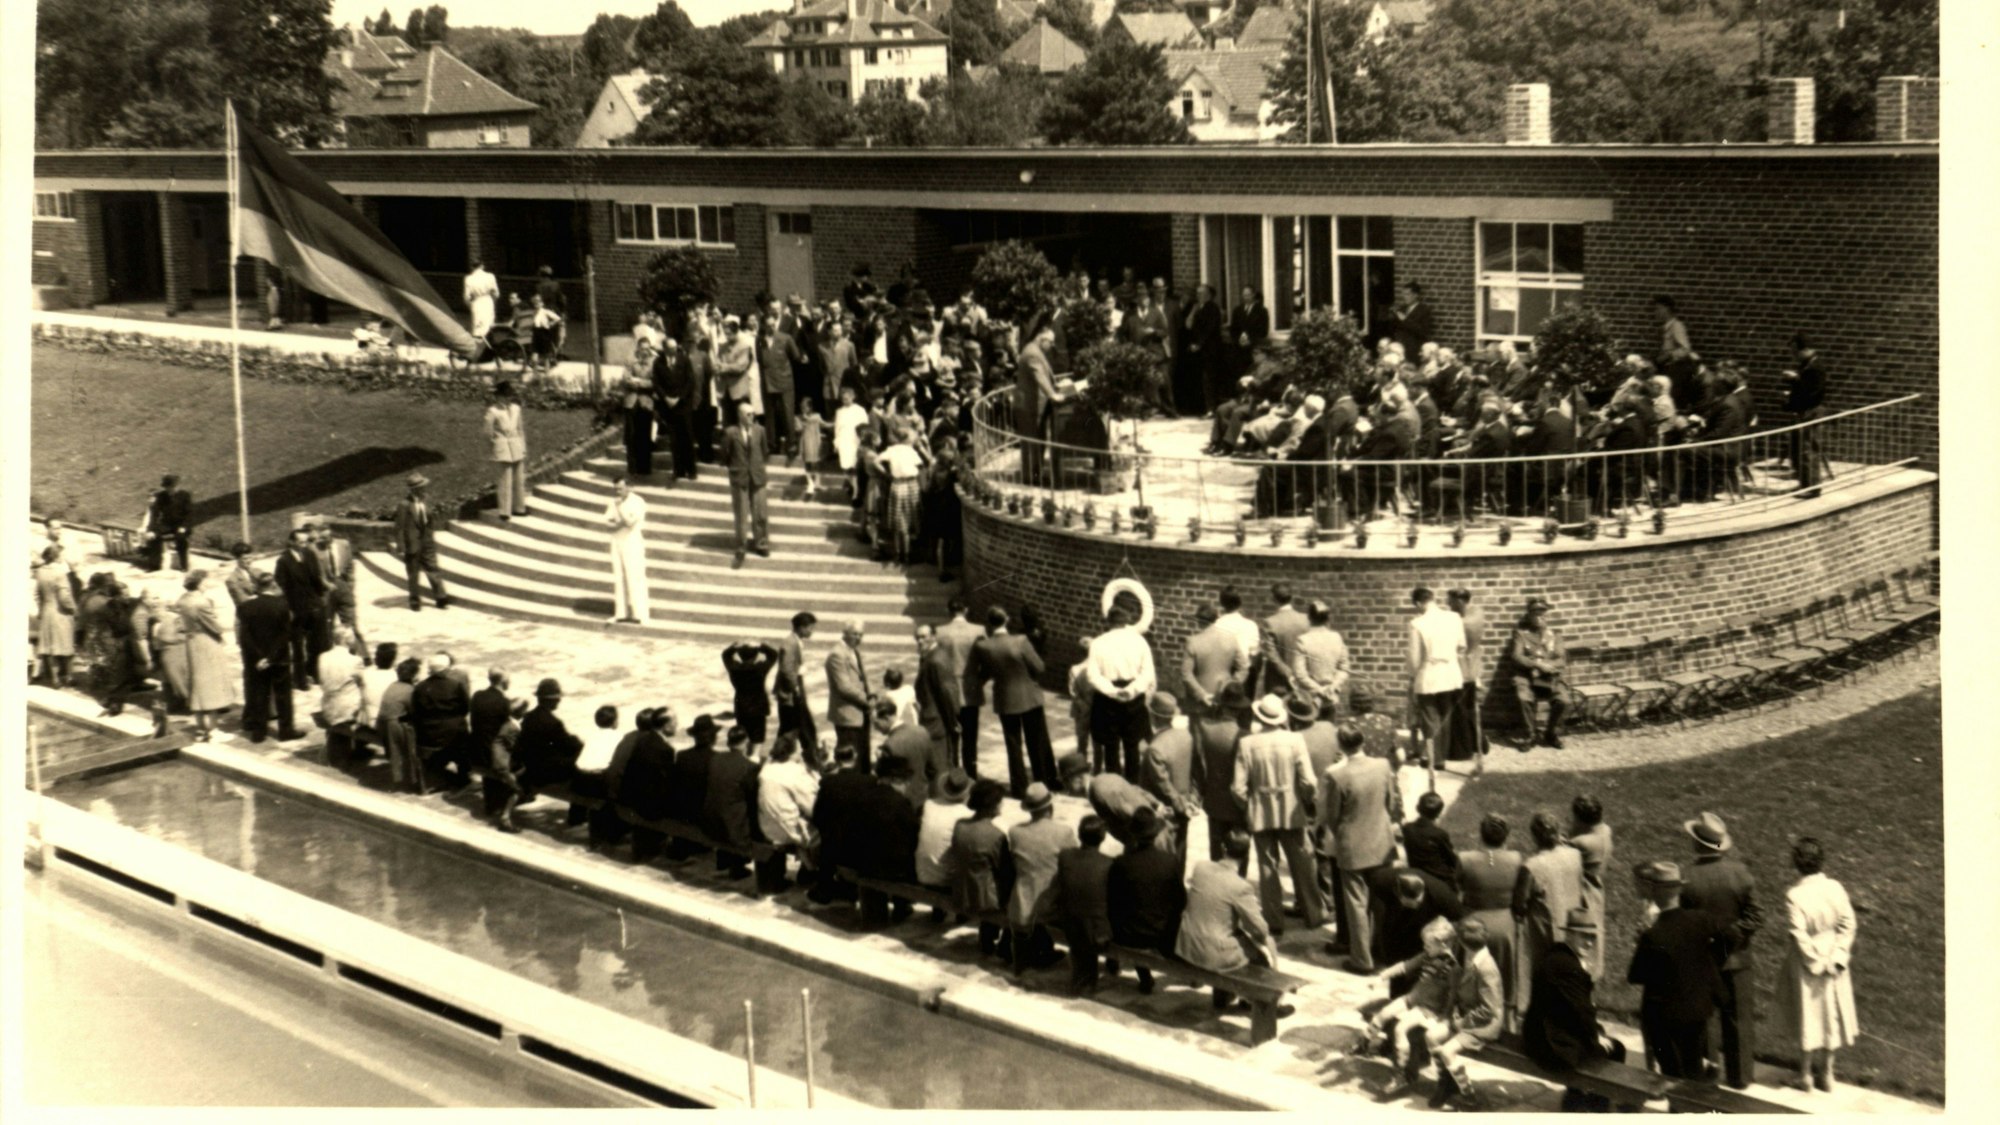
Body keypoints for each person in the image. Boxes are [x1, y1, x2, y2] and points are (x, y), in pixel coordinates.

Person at [1680, 810, 1763, 1090]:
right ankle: (1740, 1078)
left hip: (1701, 961)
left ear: (1696, 844)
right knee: (1738, 1018)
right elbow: (1755, 916)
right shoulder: (1740, 873)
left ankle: (1707, 1070)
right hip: (1737, 959)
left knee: (1703, 1018)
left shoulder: (1685, 877)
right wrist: (1732, 938)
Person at [1234, 693, 1324, 934]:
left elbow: (1238, 787)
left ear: (1259, 717)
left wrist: (1248, 805)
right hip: (1291, 810)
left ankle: (1274, 919)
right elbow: (1308, 780)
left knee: (1267, 866)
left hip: (1260, 811)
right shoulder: (1295, 740)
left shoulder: (1247, 743)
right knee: (1302, 863)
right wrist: (1306, 802)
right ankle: (1314, 914)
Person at [1523, 908, 1630, 1112]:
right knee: (1616, 1049)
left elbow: (1570, 1009)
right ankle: (1595, 1105)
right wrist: (1595, 1037)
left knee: (1601, 1040)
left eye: (1591, 937)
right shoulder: (1568, 966)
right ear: (1569, 934)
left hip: (1538, 1036)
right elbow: (1582, 1011)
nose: (1589, 942)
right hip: (1550, 1047)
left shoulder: (1555, 954)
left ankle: (1579, 1095)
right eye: (1584, 936)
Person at [1775, 836, 1858, 1093]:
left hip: (1807, 960)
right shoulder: (1835, 887)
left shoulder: (1795, 895)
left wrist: (1815, 962)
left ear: (1796, 863)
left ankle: (1805, 1075)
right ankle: (1827, 1074)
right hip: (1832, 956)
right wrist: (1837, 956)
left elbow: (1798, 933)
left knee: (1809, 1013)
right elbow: (1848, 924)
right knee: (1830, 1012)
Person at [1627, 860, 1723, 1080]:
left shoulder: (1653, 934)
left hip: (1663, 1017)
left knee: (1672, 1074)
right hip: (1697, 1010)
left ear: (1655, 892)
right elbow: (1727, 940)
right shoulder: (1701, 920)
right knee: (1693, 1068)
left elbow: (1635, 975)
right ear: (1679, 889)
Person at [1178, 830, 1289, 1016]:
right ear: (1247, 855)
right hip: (1214, 953)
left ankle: (1224, 996)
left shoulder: (1200, 868)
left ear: (1223, 848)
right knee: (1260, 956)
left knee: (1229, 938)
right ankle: (1268, 1005)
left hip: (1188, 945)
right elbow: (1260, 929)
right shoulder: (1241, 887)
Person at [1324, 720, 1401, 970]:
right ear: (1362, 741)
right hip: (1381, 841)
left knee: (1356, 903)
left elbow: (1332, 817)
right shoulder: (1383, 765)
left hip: (1352, 845)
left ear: (1341, 746)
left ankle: (1361, 959)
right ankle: (1382, 949)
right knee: (1380, 899)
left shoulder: (1338, 775)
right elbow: (1390, 802)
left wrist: (1343, 833)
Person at [1362, 915, 1460, 1101]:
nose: (1425, 948)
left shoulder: (1452, 968)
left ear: (1443, 945)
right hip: (1411, 999)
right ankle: (1364, 1043)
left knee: (1401, 1029)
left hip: (1428, 1010)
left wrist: (1446, 1017)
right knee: (1384, 1013)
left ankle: (1401, 1074)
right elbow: (1404, 966)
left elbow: (1453, 996)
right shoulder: (1426, 956)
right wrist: (1382, 976)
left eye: (1428, 945)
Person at [970, 606, 1053, 797]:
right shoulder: (1021, 641)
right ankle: (1042, 783)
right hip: (1029, 697)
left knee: (1013, 744)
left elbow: (985, 673)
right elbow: (1039, 667)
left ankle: (1019, 787)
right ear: (1007, 620)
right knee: (1035, 741)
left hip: (1005, 699)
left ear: (989, 623)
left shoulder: (984, 646)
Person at [1514, 811, 1585, 1027]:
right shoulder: (1575, 855)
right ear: (1558, 832)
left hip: (1544, 926)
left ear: (1534, 837)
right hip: (1571, 922)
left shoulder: (1532, 865)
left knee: (1541, 972)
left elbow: (1519, 903)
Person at [1458, 814, 1523, 1025]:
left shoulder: (1465, 859)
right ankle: (1505, 1023)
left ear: (1481, 834)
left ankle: (1469, 1017)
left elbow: (1457, 888)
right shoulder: (1516, 859)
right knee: (1504, 979)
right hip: (1505, 928)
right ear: (1506, 836)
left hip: (1473, 924)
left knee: (1471, 976)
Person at [1007, 783, 1075, 970]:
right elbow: (1072, 865)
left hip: (1023, 903)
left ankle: (1030, 952)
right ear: (1050, 807)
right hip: (1051, 904)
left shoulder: (1015, 832)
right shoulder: (1064, 832)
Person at [1084, 605, 1157, 781]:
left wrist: (1113, 691)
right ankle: (1132, 782)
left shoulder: (1098, 643)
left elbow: (1092, 675)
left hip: (1108, 698)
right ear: (1126, 622)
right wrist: (1131, 691)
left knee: (1111, 746)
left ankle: (1114, 784)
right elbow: (1148, 673)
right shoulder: (1139, 641)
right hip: (1132, 698)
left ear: (1108, 621)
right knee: (1132, 745)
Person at [947, 778, 1015, 956]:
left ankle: (987, 937)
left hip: (962, 889)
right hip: (984, 897)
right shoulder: (995, 835)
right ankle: (1006, 941)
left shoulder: (960, 825)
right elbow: (1005, 871)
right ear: (992, 805)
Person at [1055, 815, 1118, 995]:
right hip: (1096, 930)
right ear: (1103, 837)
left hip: (1069, 923)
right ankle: (1088, 979)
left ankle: (1082, 977)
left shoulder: (1065, 856)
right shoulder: (1108, 863)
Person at [235, 572, 299, 743]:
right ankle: (286, 730)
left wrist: (260, 658)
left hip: (255, 661)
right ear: (272, 585)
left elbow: (245, 637)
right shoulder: (281, 605)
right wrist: (271, 657)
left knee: (259, 694)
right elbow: (285, 635)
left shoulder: (245, 607)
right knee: (283, 696)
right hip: (279, 659)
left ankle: (259, 732)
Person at [1407, 587, 1466, 772]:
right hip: (1450, 672)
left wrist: (1413, 676)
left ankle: (1434, 757)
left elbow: (1415, 658)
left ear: (1418, 603)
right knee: (1445, 714)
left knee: (1430, 716)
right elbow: (1462, 646)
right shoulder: (1454, 618)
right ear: (1433, 599)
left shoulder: (1417, 623)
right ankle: (1441, 756)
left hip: (1429, 673)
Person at [754, 733, 819, 889]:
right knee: (825, 831)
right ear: (791, 752)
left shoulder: (767, 769)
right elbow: (813, 806)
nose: (802, 751)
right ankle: (812, 872)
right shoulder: (795, 773)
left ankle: (807, 868)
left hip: (768, 826)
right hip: (788, 830)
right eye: (799, 749)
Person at [1138, 692, 1199, 862]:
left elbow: (1163, 785)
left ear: (1153, 716)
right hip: (1185, 804)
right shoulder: (1186, 736)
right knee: (1180, 853)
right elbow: (1195, 771)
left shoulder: (1155, 749)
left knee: (1161, 856)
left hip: (1165, 811)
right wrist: (1191, 800)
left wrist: (1179, 805)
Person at [1196, 683, 1250, 865]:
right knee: (1239, 849)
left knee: (1216, 846)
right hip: (1237, 804)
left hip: (1214, 798)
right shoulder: (1245, 736)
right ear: (1240, 710)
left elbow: (1198, 764)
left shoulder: (1206, 728)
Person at [174, 571, 230, 741]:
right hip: (206, 644)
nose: (207, 583)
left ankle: (200, 729)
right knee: (210, 686)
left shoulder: (183, 599)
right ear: (198, 583)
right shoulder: (201, 602)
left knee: (197, 685)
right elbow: (216, 626)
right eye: (205, 581)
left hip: (191, 643)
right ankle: (212, 730)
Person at [1508, 596, 1568, 750]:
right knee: (1523, 697)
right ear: (1529, 615)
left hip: (1550, 677)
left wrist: (1549, 666)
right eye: (1536, 613)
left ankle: (1551, 733)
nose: (1541, 617)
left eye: (1544, 613)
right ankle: (1531, 734)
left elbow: (1561, 659)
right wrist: (1538, 664)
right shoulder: (1521, 634)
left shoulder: (1555, 635)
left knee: (1563, 700)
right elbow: (1516, 656)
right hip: (1526, 676)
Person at [701, 727, 762, 879]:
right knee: (744, 812)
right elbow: (753, 799)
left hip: (710, 822)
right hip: (732, 828)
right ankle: (737, 867)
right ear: (746, 742)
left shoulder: (715, 758)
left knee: (729, 805)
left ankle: (725, 860)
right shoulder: (749, 766)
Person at [275, 527, 329, 691]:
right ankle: (300, 679)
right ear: (291, 542)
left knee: (318, 642)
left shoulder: (309, 554)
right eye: (300, 542)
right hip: (297, 609)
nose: (303, 545)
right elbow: (281, 587)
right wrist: (288, 610)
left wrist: (321, 599)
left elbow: (317, 578)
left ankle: (315, 672)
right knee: (298, 646)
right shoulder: (283, 561)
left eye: (305, 541)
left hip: (314, 605)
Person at [936, 598, 985, 775]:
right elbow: (986, 660)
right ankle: (971, 773)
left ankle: (953, 773)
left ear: (949, 611)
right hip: (971, 689)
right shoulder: (978, 631)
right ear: (966, 609)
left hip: (949, 690)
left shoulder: (940, 632)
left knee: (952, 735)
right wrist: (980, 679)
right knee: (970, 736)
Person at [410, 653, 473, 790]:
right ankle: (464, 777)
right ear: (446, 669)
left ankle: (437, 770)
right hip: (453, 735)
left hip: (427, 735)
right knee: (464, 740)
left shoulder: (420, 687)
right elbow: (466, 708)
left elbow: (415, 712)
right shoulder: (456, 685)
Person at [1568, 795, 1614, 978]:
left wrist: (1572, 832)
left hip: (1582, 893)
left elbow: (1561, 849)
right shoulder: (1605, 831)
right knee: (1594, 937)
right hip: (1596, 891)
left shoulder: (1581, 842)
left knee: (1580, 938)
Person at [390, 473, 450, 612]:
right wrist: (401, 545)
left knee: (433, 569)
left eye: (424, 487)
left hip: (426, 542)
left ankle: (441, 597)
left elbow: (429, 521)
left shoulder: (425, 501)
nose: (424, 490)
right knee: (413, 574)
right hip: (412, 544)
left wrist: (430, 537)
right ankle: (414, 601)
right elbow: (399, 527)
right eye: (421, 487)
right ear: (414, 489)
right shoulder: (404, 505)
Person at [721, 404, 771, 564]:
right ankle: (741, 547)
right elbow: (724, 456)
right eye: (748, 414)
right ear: (740, 416)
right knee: (741, 514)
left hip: (757, 476)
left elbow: (764, 452)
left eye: (753, 414)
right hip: (739, 477)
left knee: (760, 513)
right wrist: (735, 468)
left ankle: (761, 543)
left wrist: (756, 467)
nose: (752, 417)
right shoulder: (730, 433)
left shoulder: (760, 431)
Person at [1443, 589, 1488, 762]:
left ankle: (1463, 750)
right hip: (1473, 667)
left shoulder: (1463, 622)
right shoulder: (1477, 612)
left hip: (1462, 669)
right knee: (1469, 707)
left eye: (1451, 601)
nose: (1448, 605)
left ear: (1460, 601)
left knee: (1460, 709)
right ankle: (1479, 743)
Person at [1180, 603, 1247, 718]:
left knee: (1199, 731)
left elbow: (1186, 674)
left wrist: (1202, 694)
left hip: (1200, 700)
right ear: (1216, 619)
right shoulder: (1231, 638)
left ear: (1198, 620)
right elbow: (1243, 667)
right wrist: (1231, 686)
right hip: (1225, 696)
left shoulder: (1193, 642)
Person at [1015, 324, 1062, 485]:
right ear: (1042, 339)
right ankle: (1030, 478)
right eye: (1051, 342)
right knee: (1031, 442)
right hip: (1028, 405)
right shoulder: (1032, 353)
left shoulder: (1034, 350)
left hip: (1033, 405)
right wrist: (1053, 395)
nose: (1051, 346)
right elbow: (1039, 377)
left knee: (1036, 441)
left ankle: (1036, 474)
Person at [876, 698, 943, 811]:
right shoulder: (922, 731)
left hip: (901, 803)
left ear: (886, 718)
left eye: (876, 723)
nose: (875, 728)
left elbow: (884, 781)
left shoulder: (889, 745)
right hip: (922, 798)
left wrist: (879, 760)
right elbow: (933, 769)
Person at [826, 620, 875, 771]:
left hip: (861, 712)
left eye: (861, 635)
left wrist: (872, 694)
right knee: (850, 756)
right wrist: (866, 700)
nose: (858, 638)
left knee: (863, 751)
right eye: (855, 634)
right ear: (845, 633)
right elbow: (844, 687)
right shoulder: (837, 654)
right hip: (847, 714)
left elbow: (864, 675)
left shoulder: (854, 651)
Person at [599, 477, 650, 624]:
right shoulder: (613, 502)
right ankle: (621, 613)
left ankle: (641, 615)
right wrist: (617, 525)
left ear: (629, 487)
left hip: (632, 542)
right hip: (616, 541)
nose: (617, 491)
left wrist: (619, 516)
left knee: (635, 576)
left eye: (620, 488)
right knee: (619, 576)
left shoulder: (638, 502)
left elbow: (630, 522)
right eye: (615, 488)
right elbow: (606, 522)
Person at [316, 624, 366, 767]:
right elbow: (363, 684)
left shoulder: (323, 657)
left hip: (328, 706)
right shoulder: (355, 661)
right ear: (346, 640)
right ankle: (359, 748)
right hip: (347, 710)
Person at [1290, 601, 1351, 716]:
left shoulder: (1303, 640)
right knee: (1329, 730)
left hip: (1310, 698)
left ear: (1309, 618)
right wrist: (1333, 686)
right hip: (1331, 696)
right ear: (1328, 619)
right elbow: (1344, 668)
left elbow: (1300, 674)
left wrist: (1319, 690)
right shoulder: (1336, 638)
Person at [654, 336, 699, 482]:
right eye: (671, 348)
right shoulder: (658, 362)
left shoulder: (684, 360)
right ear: (665, 348)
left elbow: (690, 381)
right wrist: (665, 398)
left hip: (683, 404)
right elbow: (656, 383)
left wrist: (679, 398)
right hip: (668, 406)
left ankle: (691, 470)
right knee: (674, 440)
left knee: (687, 437)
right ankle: (678, 470)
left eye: (675, 347)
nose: (674, 350)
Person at [484, 382, 530, 520]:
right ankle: (504, 511)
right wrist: (496, 445)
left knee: (519, 479)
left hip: (516, 445)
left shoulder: (516, 408)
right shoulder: (493, 411)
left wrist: (523, 447)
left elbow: (520, 429)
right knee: (505, 479)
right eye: (503, 396)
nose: (506, 399)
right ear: (497, 397)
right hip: (503, 446)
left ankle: (519, 508)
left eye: (509, 396)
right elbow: (487, 432)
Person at [32, 547, 78, 688]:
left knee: (50, 647)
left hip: (47, 611)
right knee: (66, 646)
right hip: (60, 613)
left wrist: (41, 609)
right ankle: (68, 677)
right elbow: (64, 597)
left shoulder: (40, 572)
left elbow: (37, 594)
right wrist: (73, 609)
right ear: (56, 557)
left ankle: (55, 678)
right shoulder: (60, 573)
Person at [722, 638, 779, 749]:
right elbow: (773, 655)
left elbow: (725, 655)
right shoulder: (759, 668)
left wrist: (735, 646)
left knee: (743, 737)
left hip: (741, 706)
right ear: (756, 656)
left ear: (740, 656)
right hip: (758, 707)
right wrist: (761, 645)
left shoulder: (735, 668)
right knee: (757, 740)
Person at [774, 612, 818, 748]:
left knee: (794, 725)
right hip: (790, 691)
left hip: (794, 688)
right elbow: (786, 670)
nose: (812, 631)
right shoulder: (790, 643)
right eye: (810, 628)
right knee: (795, 725)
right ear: (801, 628)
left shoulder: (795, 641)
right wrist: (796, 688)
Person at [1404, 791, 1459, 886]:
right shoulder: (1439, 834)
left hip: (1418, 875)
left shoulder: (1407, 829)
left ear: (1417, 808)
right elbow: (1452, 859)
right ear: (1438, 814)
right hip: (1440, 878)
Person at [142, 474, 193, 572]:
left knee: (181, 538)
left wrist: (184, 526)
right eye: (167, 488)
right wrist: (151, 530)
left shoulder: (185, 495)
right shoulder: (161, 496)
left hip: (181, 524)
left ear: (177, 486)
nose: (169, 490)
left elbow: (189, 514)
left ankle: (184, 565)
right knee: (153, 538)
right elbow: (154, 515)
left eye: (171, 487)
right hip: (167, 524)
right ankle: (154, 565)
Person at [1387, 281, 1435, 358]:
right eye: (1403, 294)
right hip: (1400, 348)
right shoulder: (1402, 308)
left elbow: (1423, 331)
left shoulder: (1424, 310)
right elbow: (1394, 328)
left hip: (1414, 350)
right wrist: (1392, 317)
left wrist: (1405, 319)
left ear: (1415, 295)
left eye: (1407, 294)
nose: (1404, 297)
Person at [464, 260, 499, 339]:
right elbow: (496, 293)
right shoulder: (490, 276)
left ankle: (478, 342)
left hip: (476, 302)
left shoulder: (469, 279)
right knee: (489, 325)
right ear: (482, 266)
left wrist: (470, 306)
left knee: (478, 326)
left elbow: (466, 297)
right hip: (488, 301)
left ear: (472, 267)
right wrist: (494, 302)